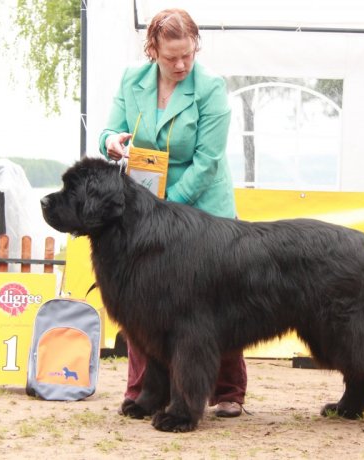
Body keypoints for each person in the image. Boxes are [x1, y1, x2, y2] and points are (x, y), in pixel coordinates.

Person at [98, 8, 246, 418]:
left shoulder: (211, 87)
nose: (181, 64)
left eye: (187, 55)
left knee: (216, 303)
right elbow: (108, 130)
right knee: (142, 303)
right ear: (153, 50)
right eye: (171, 57)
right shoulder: (132, 80)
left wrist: (164, 209)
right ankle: (144, 391)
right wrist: (112, 141)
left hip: (202, 205)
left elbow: (207, 161)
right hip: (149, 211)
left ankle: (229, 391)